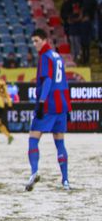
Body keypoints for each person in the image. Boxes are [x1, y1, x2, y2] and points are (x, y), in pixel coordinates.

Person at [26, 29, 71, 191]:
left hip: (49, 104)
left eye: (36, 40)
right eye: (33, 41)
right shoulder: (57, 56)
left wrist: (41, 101)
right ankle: (65, 181)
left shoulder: (45, 57)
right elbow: (65, 82)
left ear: (45, 40)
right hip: (61, 105)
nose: (35, 44)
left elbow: (48, 80)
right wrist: (68, 106)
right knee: (60, 142)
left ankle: (34, 172)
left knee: (33, 138)